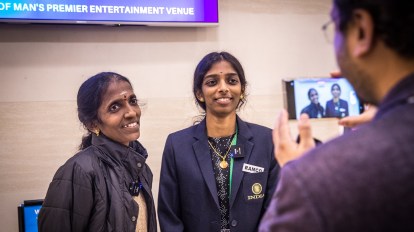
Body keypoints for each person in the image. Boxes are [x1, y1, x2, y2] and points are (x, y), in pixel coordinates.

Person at [260, 0, 414, 231]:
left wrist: (301, 175)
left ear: (362, 30)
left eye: (334, 27)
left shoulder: (316, 180)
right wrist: (388, 114)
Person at [158, 52, 280, 232]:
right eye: (212, 82)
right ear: (199, 93)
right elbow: (170, 216)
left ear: (242, 90)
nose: (223, 88)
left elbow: (275, 211)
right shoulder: (177, 145)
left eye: (232, 81)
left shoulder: (267, 141)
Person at [38, 72, 157, 232]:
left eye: (132, 101)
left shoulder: (141, 168)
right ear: (93, 124)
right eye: (115, 107)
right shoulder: (80, 171)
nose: (131, 112)